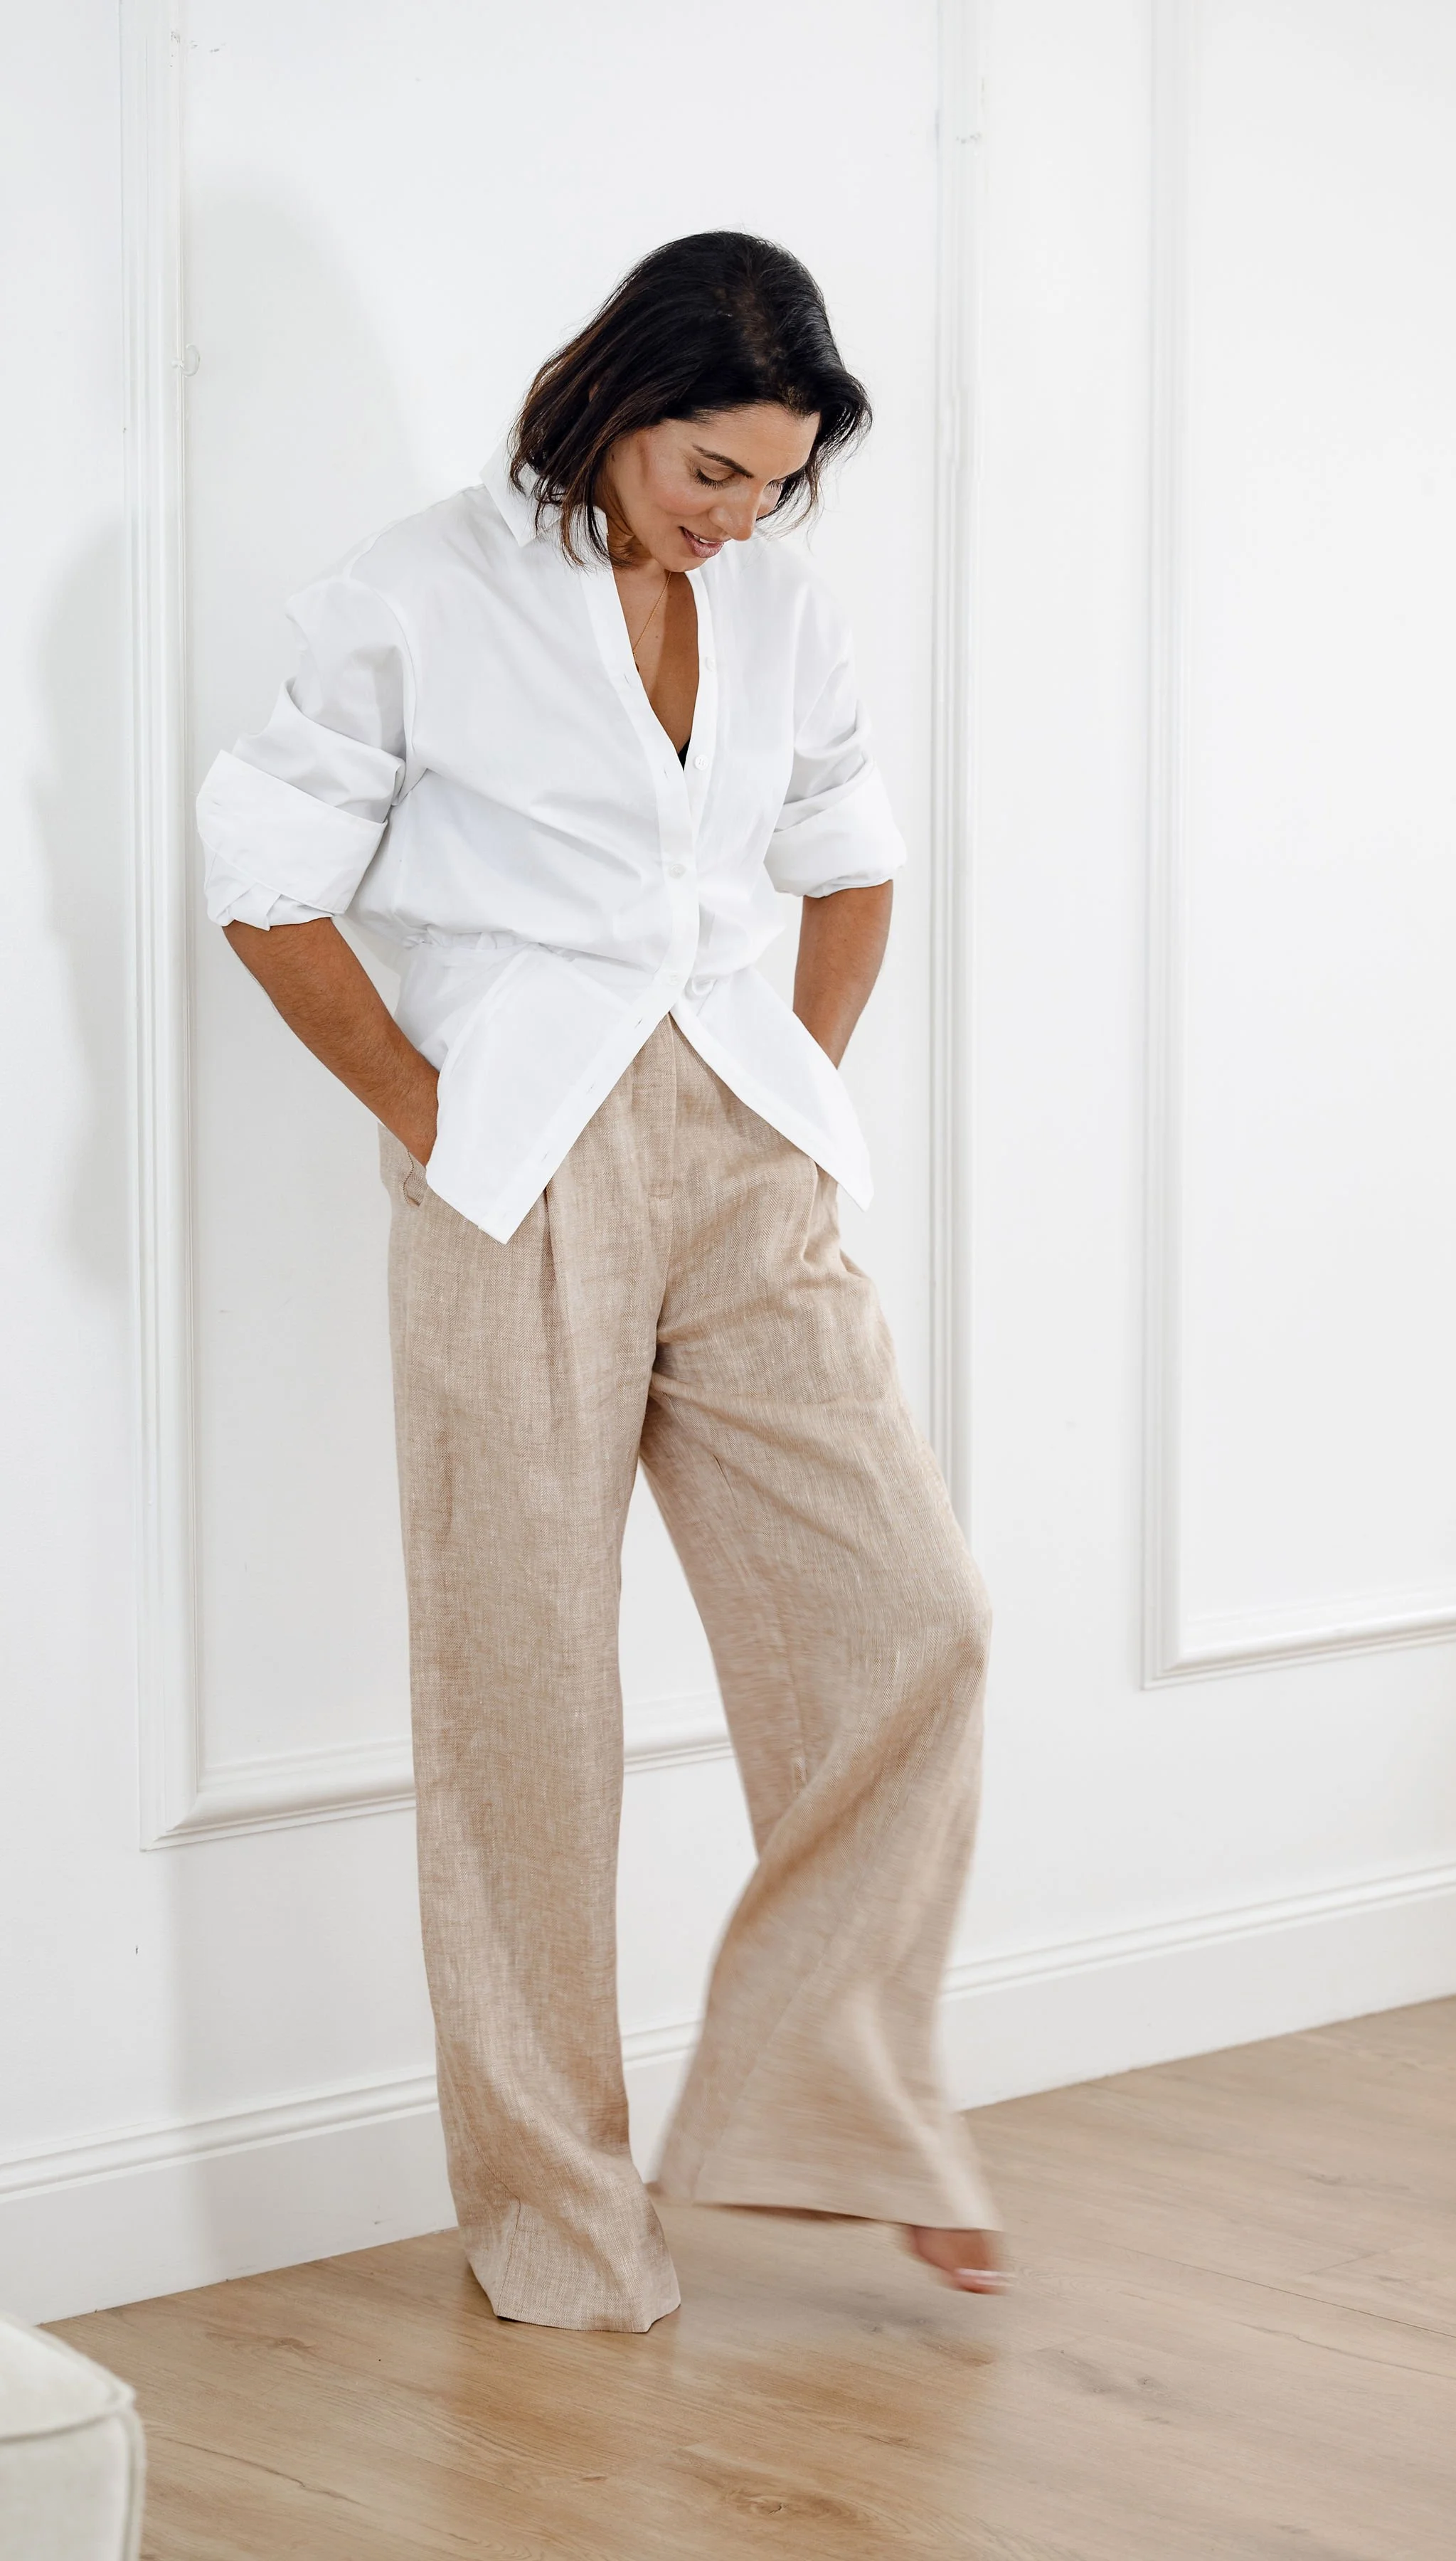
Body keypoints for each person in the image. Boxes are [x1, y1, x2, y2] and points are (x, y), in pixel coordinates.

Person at [198, 230, 1004, 2333]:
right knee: (524, 1703)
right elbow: (266, 891)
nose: (737, 518)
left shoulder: (782, 612)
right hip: (518, 1167)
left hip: (745, 1150)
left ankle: (825, 2121)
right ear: (615, 397)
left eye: (773, 484)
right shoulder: (409, 596)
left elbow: (853, 854)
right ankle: (562, 2224)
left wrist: (791, 1082)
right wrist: (439, 1116)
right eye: (711, 471)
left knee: (916, 1615)